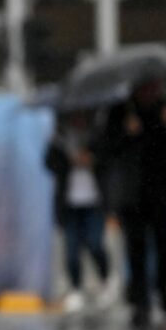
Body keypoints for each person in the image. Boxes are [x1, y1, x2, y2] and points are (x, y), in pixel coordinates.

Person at [93, 79, 166, 329]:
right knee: (135, 250)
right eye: (146, 88)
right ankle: (141, 303)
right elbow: (104, 148)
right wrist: (126, 133)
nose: (151, 93)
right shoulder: (119, 113)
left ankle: (162, 287)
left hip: (164, 192)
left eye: (154, 88)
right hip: (133, 195)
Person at [44, 110, 113, 312]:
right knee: (72, 250)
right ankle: (75, 288)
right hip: (70, 204)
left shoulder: (98, 137)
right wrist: (65, 159)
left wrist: (92, 159)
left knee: (94, 243)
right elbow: (48, 164)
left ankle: (105, 280)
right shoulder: (59, 139)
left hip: (93, 202)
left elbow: (109, 159)